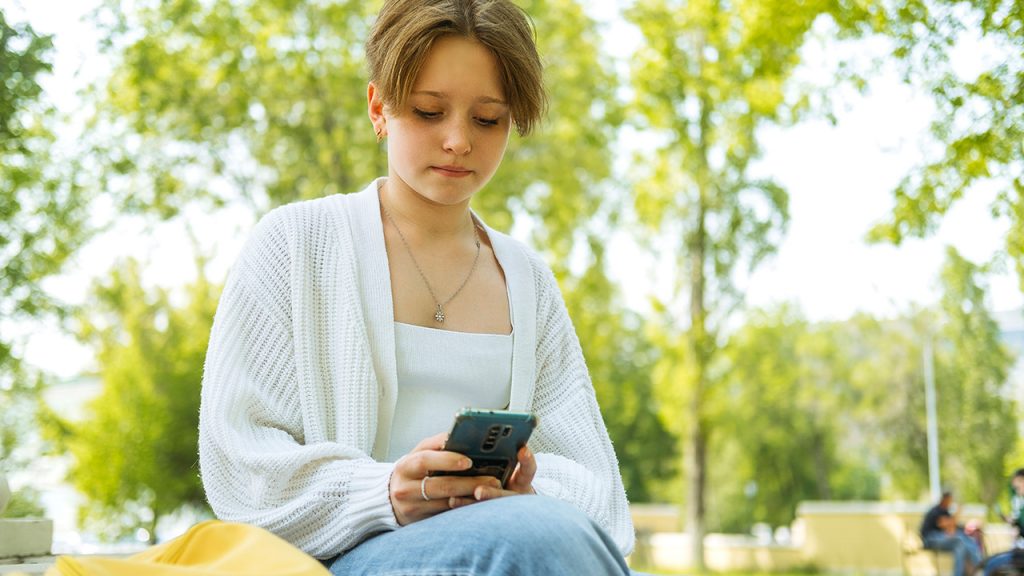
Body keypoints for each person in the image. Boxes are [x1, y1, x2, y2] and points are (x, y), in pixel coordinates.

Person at [197, 0, 636, 574]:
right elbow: (240, 464)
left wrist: (521, 496)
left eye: (488, 119)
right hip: (337, 560)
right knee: (534, 540)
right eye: (429, 112)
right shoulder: (293, 244)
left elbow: (599, 494)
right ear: (379, 108)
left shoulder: (528, 280)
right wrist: (384, 493)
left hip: (513, 545)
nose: (458, 140)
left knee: (542, 538)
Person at [921, 490, 983, 576]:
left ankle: (979, 568)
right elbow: (946, 525)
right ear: (945, 499)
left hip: (941, 538)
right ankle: (981, 567)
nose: (951, 502)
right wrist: (958, 512)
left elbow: (951, 530)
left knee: (961, 545)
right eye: (950, 500)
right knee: (960, 539)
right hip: (930, 539)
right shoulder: (936, 511)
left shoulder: (946, 511)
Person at [982, 469, 1024, 576]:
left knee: (991, 565)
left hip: (1020, 554)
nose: (1016, 489)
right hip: (1018, 551)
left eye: (1018, 485)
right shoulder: (1020, 504)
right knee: (991, 563)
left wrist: (1018, 531)